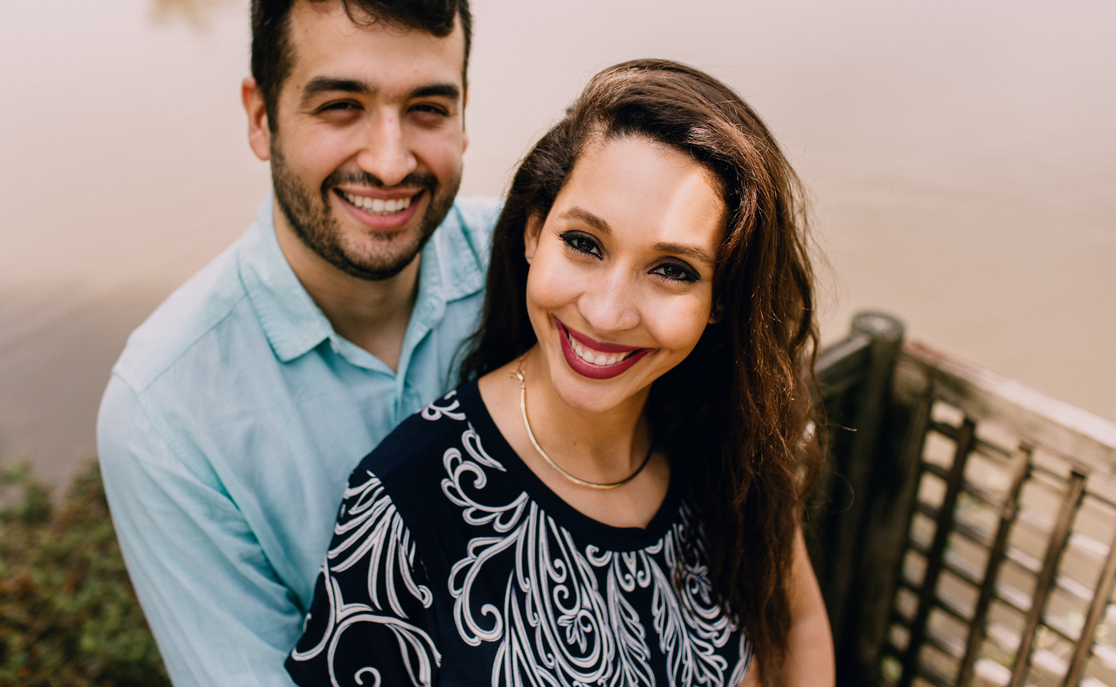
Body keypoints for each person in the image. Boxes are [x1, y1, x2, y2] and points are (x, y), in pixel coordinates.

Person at [285, 60, 836, 687]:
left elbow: (798, 626)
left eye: (673, 270)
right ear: (532, 233)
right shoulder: (405, 505)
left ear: (720, 304)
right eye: (584, 243)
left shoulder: (725, 442)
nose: (605, 312)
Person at [96, 0, 496, 687]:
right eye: (340, 106)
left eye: (428, 108)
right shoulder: (165, 414)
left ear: (463, 112)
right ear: (260, 115)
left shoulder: (546, 272)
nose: (389, 161)